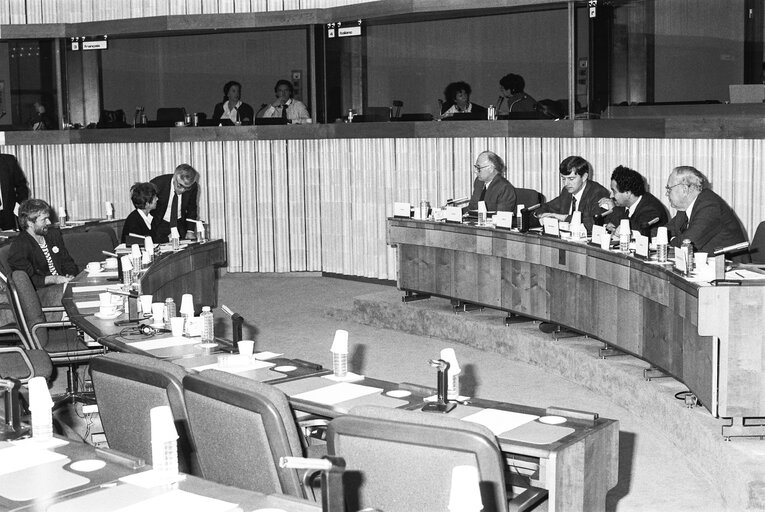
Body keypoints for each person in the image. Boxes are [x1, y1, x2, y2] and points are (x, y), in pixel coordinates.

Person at [664, 166, 747, 255]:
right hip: (705, 263)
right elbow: (664, 231)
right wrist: (671, 238)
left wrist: (672, 239)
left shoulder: (710, 206)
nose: (666, 194)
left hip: (730, 265)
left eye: (669, 189)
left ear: (685, 189)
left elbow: (686, 245)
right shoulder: (685, 207)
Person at [8, 198, 77, 290]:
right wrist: (54, 279)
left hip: (63, 284)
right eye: (44, 219)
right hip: (42, 291)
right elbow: (27, 281)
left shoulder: (53, 235)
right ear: (30, 223)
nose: (49, 222)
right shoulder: (20, 246)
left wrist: (70, 275)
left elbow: (67, 261)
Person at [535, 156, 610, 234]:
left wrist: (563, 218)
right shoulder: (566, 191)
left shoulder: (598, 192)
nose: (566, 184)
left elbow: (595, 223)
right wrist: (542, 215)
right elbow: (547, 207)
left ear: (584, 177)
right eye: (563, 178)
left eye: (571, 179)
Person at [598, 165, 668, 236]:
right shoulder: (627, 203)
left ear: (628, 193)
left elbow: (639, 232)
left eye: (614, 191)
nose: (611, 196)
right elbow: (614, 222)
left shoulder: (651, 210)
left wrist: (619, 227)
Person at [150, 164, 199, 243]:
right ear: (175, 177)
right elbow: (146, 206)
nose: (183, 190)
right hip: (159, 225)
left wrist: (190, 230)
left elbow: (192, 208)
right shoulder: (157, 184)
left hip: (179, 225)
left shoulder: (194, 187)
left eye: (187, 188)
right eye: (180, 185)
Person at [0, 153, 30, 230]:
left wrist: (19, 206)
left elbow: (21, 185)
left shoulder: (8, 160)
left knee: (10, 241)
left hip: (7, 215)